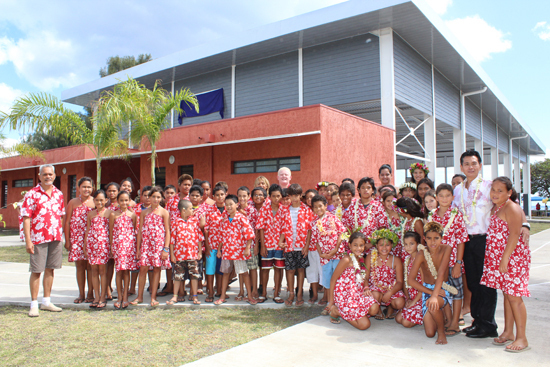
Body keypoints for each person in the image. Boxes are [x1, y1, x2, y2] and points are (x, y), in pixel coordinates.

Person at [480, 177, 531, 352]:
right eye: (493, 189)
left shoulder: (512, 208)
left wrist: (505, 259)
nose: (495, 193)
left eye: (500, 190)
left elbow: (515, 234)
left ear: (509, 192)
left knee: (515, 298)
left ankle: (522, 338)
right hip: (499, 257)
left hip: (512, 259)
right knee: (507, 296)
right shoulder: (497, 207)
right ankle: (508, 331)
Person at [21, 164, 65, 317]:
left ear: (54, 175)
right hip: (38, 238)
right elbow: (26, 218)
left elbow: (60, 216)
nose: (48, 177)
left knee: (50, 269)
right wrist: (28, 240)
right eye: (45, 174)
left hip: (55, 237)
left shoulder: (59, 194)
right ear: (39, 176)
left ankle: (46, 301)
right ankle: (34, 304)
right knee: (36, 270)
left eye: (50, 174)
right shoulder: (31, 194)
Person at [428, 183, 469, 337]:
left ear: (453, 197)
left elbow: (461, 240)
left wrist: (458, 263)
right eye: (441, 196)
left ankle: (455, 323)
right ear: (436, 197)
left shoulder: (456, 215)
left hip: (452, 262)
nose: (444, 199)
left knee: (456, 291)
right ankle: (448, 318)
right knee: (441, 290)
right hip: (437, 262)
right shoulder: (432, 215)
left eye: (448, 196)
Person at [408, 222, 456, 345]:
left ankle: (441, 333)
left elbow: (441, 274)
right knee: (429, 333)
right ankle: (442, 316)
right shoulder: (421, 253)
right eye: (429, 238)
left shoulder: (446, 249)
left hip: (442, 288)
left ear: (442, 238)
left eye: (436, 238)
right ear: (424, 238)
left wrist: (435, 296)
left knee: (433, 305)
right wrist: (431, 293)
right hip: (428, 290)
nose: (432, 242)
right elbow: (411, 280)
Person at [329, 232, 378, 329]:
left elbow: (362, 278)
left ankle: (356, 314)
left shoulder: (360, 258)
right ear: (349, 245)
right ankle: (336, 311)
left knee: (374, 308)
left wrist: (366, 287)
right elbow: (333, 280)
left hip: (357, 293)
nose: (358, 248)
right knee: (365, 325)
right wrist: (331, 302)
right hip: (345, 296)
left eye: (361, 245)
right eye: (355, 245)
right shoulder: (346, 260)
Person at [132, 186, 171, 307]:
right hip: (146, 245)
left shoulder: (164, 212)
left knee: (156, 270)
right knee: (143, 269)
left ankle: (153, 297)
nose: (155, 199)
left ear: (161, 198)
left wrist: (165, 248)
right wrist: (138, 249)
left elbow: (168, 231)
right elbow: (139, 231)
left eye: (158, 197)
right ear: (149, 197)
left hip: (158, 246)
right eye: (153, 196)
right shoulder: (144, 212)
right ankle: (139, 297)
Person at [216, 195, 257, 305]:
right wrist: (219, 250)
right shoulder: (224, 220)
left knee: (244, 273)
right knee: (225, 273)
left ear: (236, 205)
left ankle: (249, 296)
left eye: (231, 204)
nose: (228, 206)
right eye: (227, 204)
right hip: (227, 251)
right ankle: (223, 296)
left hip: (239, 251)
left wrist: (247, 248)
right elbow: (221, 237)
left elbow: (249, 234)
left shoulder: (241, 218)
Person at [309, 194, 346, 313]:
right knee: (328, 280)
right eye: (315, 207)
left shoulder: (334, 218)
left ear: (326, 206)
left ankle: (338, 304)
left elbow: (341, 233)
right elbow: (315, 241)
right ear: (313, 209)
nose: (318, 209)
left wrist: (335, 249)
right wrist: (321, 254)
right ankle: (330, 304)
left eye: (320, 206)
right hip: (325, 257)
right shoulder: (314, 223)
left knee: (338, 279)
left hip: (337, 254)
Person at [280, 184, 315, 307]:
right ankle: (290, 293)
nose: (294, 198)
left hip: (301, 246)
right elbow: (283, 228)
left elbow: (310, 229)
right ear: (289, 196)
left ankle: (299, 293)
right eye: (292, 196)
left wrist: (306, 246)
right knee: (290, 270)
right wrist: (281, 241)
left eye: (297, 196)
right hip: (289, 246)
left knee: (301, 270)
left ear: (301, 196)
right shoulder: (284, 210)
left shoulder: (307, 210)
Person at [257, 184, 290, 303]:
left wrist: (281, 242)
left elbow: (285, 228)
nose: (276, 199)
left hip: (279, 245)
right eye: (274, 196)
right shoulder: (264, 209)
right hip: (267, 244)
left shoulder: (284, 210)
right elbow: (260, 228)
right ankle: (264, 293)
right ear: (269, 197)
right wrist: (263, 246)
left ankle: (277, 293)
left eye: (278, 196)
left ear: (281, 196)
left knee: (278, 269)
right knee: (265, 269)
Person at [167, 199, 204, 305]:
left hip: (192, 253)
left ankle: (195, 296)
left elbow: (199, 238)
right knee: (178, 276)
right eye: (190, 208)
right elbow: (172, 240)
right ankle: (175, 296)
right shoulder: (175, 222)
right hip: (179, 255)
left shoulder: (194, 221)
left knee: (194, 275)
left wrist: (200, 252)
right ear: (183, 210)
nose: (192, 210)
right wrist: (172, 254)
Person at [65, 176, 95, 304]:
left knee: (91, 267)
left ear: (92, 188)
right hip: (76, 239)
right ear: (79, 188)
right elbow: (67, 222)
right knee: (80, 267)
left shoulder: (95, 202)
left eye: (89, 187)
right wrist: (67, 240)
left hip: (91, 239)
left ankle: (90, 293)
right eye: (84, 186)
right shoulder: (72, 202)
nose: (86, 189)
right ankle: (81, 294)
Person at [366, 229, 405, 320]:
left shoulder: (396, 260)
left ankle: (390, 308)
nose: (384, 248)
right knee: (375, 295)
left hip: (391, 289)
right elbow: (366, 277)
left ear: (392, 245)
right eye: (381, 245)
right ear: (376, 245)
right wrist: (366, 288)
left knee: (400, 303)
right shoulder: (370, 257)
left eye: (387, 245)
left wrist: (390, 293)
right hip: (375, 288)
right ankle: (378, 310)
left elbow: (399, 282)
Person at [83, 190, 113, 309]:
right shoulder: (90, 214)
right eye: (97, 200)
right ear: (93, 201)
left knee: (103, 272)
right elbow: (87, 230)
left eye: (102, 200)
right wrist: (85, 245)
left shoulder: (110, 213)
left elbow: (111, 231)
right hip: (92, 246)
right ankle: (96, 297)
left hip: (104, 246)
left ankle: (103, 297)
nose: (99, 202)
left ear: (106, 200)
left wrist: (111, 246)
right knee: (93, 271)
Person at [109, 191, 138, 310]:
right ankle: (119, 297)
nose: (124, 203)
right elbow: (111, 232)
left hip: (129, 246)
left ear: (129, 201)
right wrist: (111, 246)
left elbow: (135, 232)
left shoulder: (133, 215)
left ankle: (125, 296)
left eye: (126, 200)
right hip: (117, 246)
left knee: (126, 272)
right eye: (121, 200)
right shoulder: (113, 214)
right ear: (118, 201)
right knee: (119, 271)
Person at [341, 177, 385, 254]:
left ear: (373, 190)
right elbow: (345, 227)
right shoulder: (352, 206)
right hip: (355, 249)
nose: (366, 190)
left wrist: (371, 244)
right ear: (358, 190)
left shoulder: (378, 206)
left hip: (373, 248)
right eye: (363, 188)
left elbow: (382, 228)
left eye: (368, 188)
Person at [203, 185, 228, 302]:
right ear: (213, 196)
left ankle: (220, 290)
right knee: (210, 269)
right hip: (211, 246)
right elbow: (206, 230)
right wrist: (207, 246)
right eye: (217, 195)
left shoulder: (229, 210)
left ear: (225, 195)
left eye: (222, 194)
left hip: (225, 246)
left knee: (221, 269)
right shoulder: (209, 211)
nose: (219, 197)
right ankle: (210, 292)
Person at [395, 231, 423, 328]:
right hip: (412, 297)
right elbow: (406, 283)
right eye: (406, 244)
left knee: (406, 323)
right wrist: (408, 299)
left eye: (412, 244)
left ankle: (426, 315)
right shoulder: (407, 260)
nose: (408, 247)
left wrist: (414, 301)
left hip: (421, 297)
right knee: (398, 319)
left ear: (418, 244)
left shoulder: (421, 260)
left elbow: (423, 285)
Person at [238, 186, 260, 301]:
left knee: (252, 268)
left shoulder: (252, 210)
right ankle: (241, 291)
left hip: (250, 244)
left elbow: (256, 228)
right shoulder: (235, 209)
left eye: (244, 196)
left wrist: (256, 245)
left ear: (248, 197)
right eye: (240, 196)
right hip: (238, 245)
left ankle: (254, 290)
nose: (242, 198)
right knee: (241, 269)